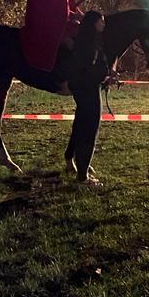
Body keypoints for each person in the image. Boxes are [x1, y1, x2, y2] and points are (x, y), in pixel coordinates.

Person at [19, 0, 85, 93]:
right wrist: (64, 35)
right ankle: (57, 78)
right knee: (68, 44)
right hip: (46, 28)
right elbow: (46, 12)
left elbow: (71, 4)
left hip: (62, 25)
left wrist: (84, 18)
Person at [63, 11, 110, 184]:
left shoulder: (86, 41)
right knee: (89, 130)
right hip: (88, 89)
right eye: (101, 22)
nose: (103, 25)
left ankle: (78, 166)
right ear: (93, 23)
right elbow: (88, 70)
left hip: (86, 88)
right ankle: (83, 176)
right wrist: (103, 76)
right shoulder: (89, 45)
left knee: (83, 126)